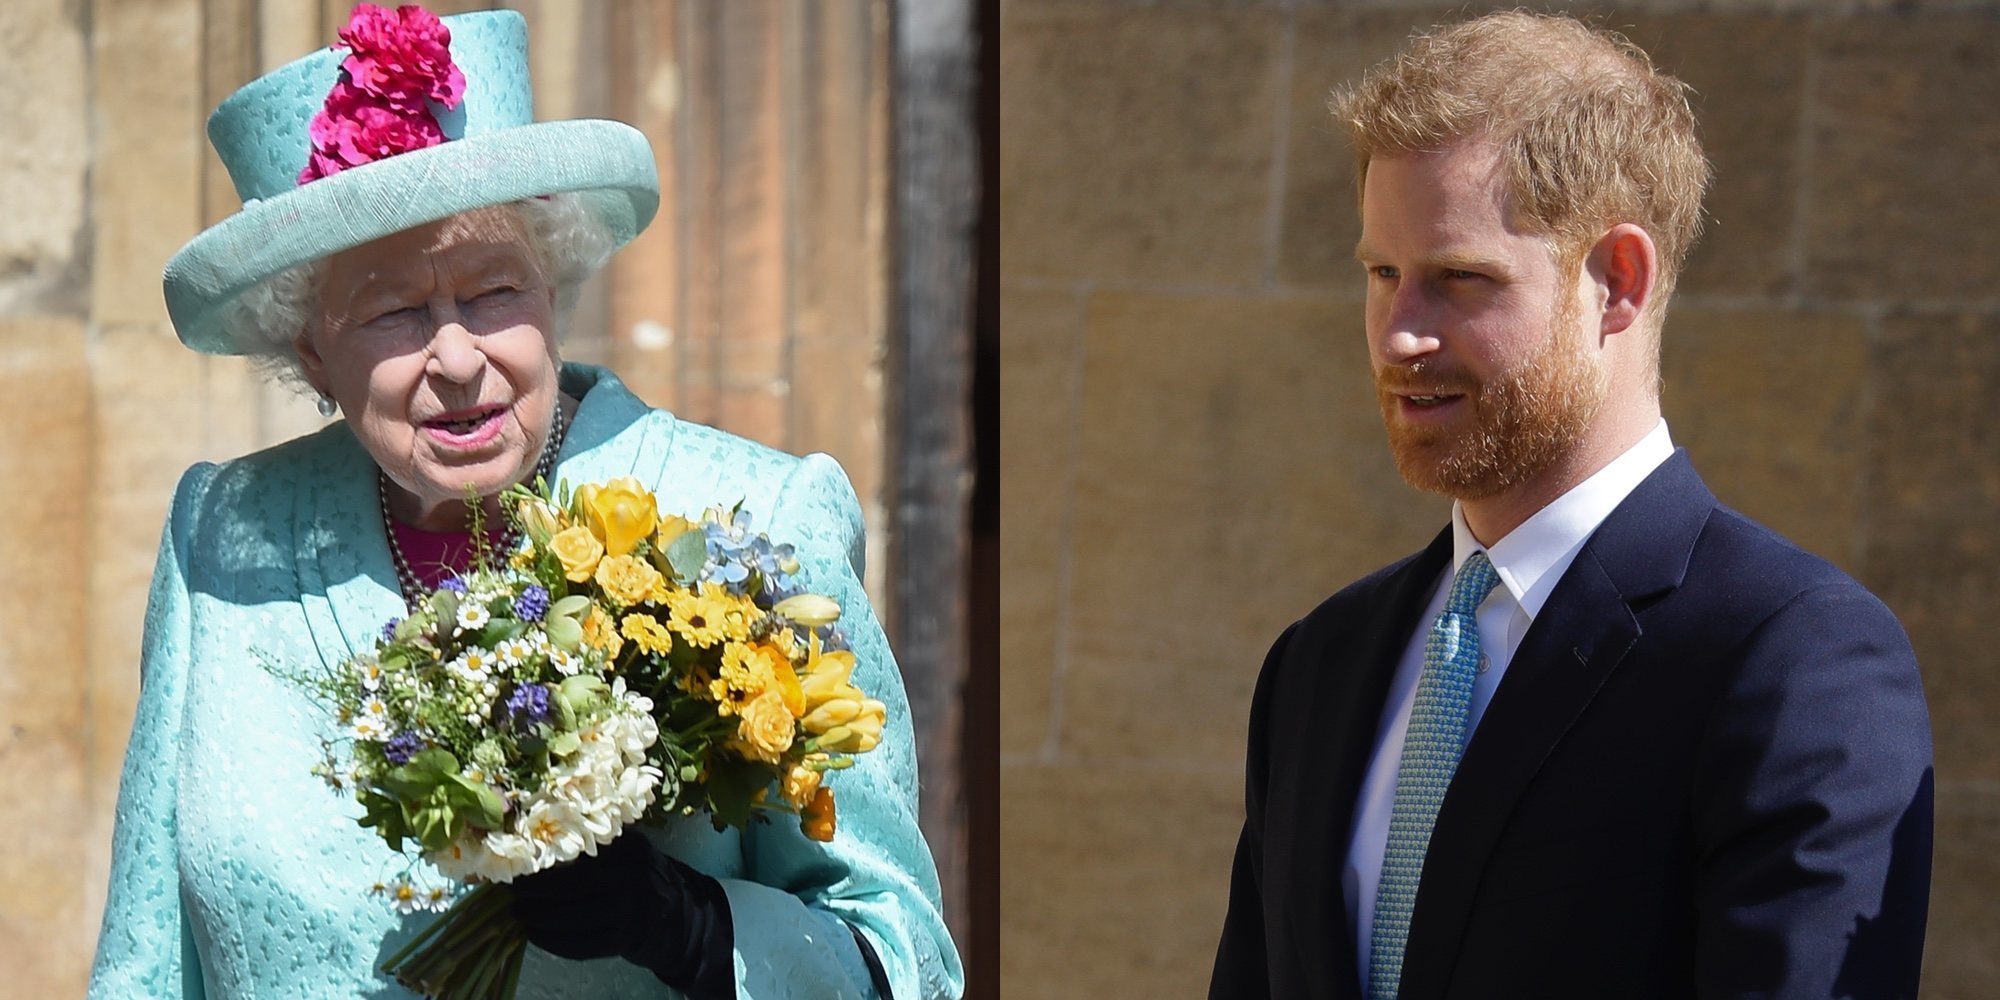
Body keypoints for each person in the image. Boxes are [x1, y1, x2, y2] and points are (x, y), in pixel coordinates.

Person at [88, 6, 962, 998]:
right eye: (392, 312)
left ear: (552, 282)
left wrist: (686, 924)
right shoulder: (221, 535)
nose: (457, 358)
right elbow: (144, 964)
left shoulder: (748, 522)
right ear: (310, 353)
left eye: (494, 290)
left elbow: (906, 966)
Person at [1210, 12, 1931, 999]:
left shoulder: (1794, 662)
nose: (1397, 336)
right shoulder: (1317, 663)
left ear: (1617, 281)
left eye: (1458, 279)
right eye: (1380, 273)